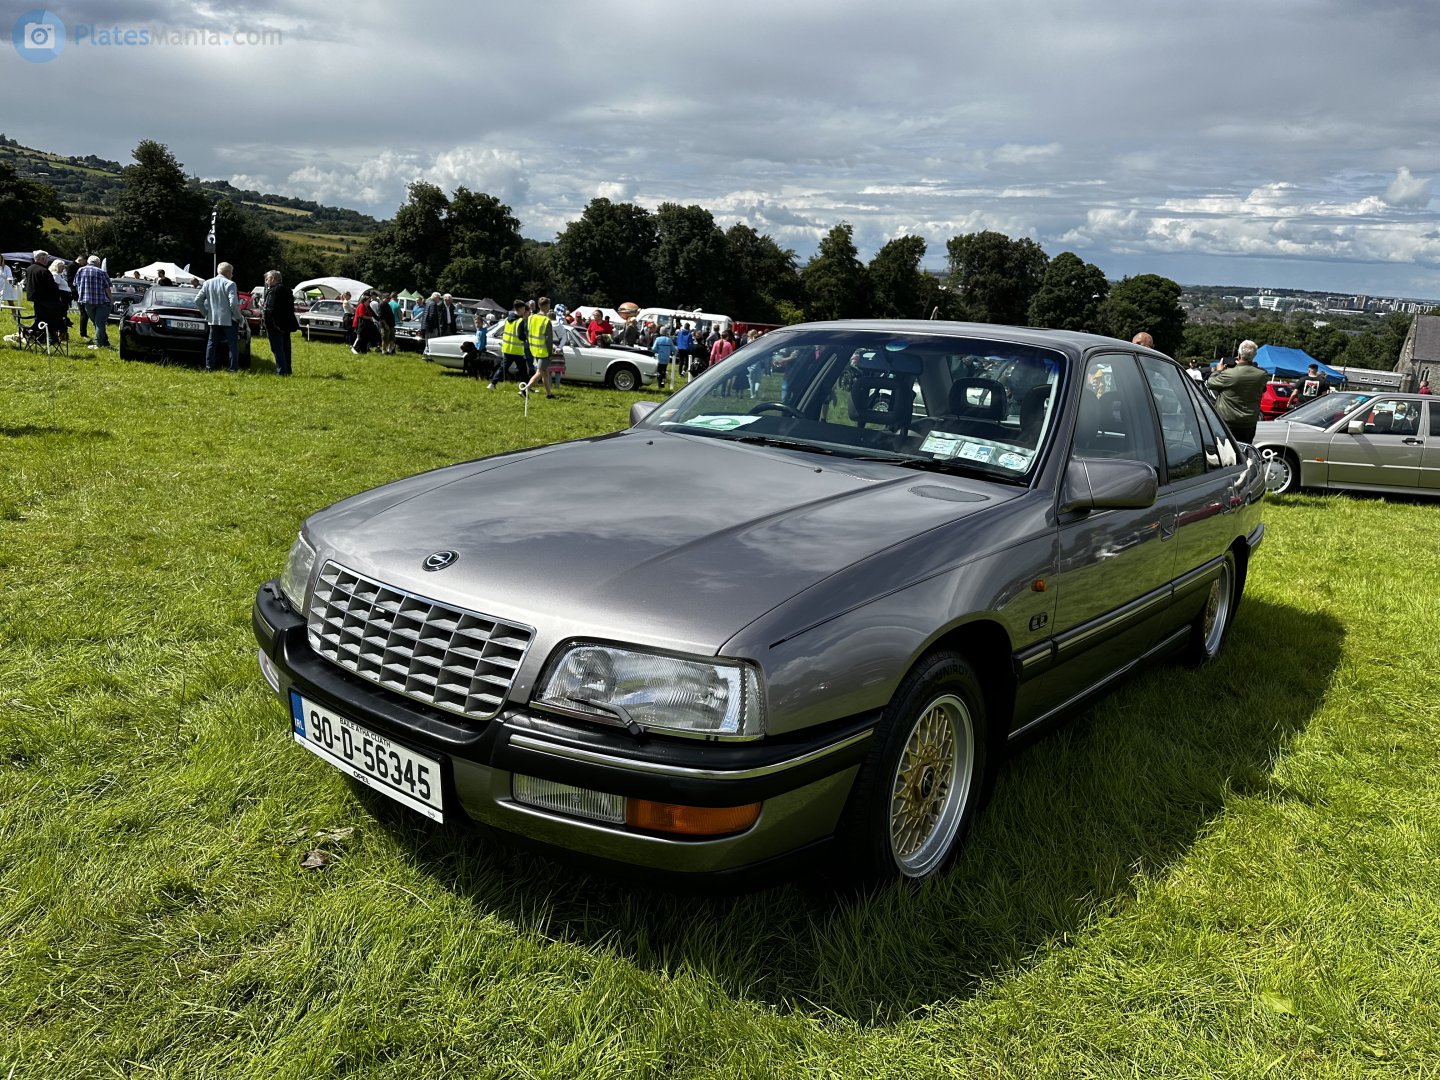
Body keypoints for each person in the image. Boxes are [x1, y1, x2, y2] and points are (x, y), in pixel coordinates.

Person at [1205, 338, 1268, 443]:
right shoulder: (1262, 374)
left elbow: (1210, 383)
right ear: (1254, 356)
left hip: (1228, 421)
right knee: (1244, 450)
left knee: (1225, 452)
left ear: (1239, 354)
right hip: (1249, 422)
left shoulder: (1229, 374)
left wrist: (1218, 371)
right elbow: (1263, 389)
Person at [195, 262, 242, 372]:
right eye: (231, 272)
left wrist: (206, 314)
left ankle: (209, 367)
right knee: (233, 345)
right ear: (227, 272)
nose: (232, 275)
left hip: (213, 319)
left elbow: (197, 301)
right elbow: (234, 304)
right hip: (229, 320)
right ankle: (233, 368)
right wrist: (238, 317)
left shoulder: (207, 283)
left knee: (211, 344)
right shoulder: (230, 284)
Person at [23, 250, 66, 345]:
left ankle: (40, 336)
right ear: (43, 258)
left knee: (40, 318)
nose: (48, 260)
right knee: (48, 319)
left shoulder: (30, 268)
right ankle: (38, 334)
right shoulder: (44, 271)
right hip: (46, 299)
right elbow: (51, 286)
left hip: (35, 297)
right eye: (47, 258)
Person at [261, 269, 298, 375]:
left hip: (275, 325)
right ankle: (287, 370)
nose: (266, 281)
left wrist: (267, 324)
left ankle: (281, 371)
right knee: (286, 349)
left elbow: (269, 309)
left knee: (277, 349)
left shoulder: (273, 291)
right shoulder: (287, 290)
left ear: (272, 279)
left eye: (267, 279)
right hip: (287, 324)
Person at [521, 297, 559, 399]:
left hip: (534, 349)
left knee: (545, 372)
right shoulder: (546, 320)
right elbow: (549, 340)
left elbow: (527, 332)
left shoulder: (531, 318)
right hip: (544, 351)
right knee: (540, 372)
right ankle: (525, 390)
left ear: (538, 305)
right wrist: (550, 353)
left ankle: (549, 394)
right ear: (547, 306)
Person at [73, 254, 112, 349]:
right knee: (99, 323)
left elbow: (76, 284)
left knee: (97, 322)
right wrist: (111, 300)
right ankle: (100, 344)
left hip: (87, 301)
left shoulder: (80, 270)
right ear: (98, 263)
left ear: (88, 262)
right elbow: (107, 288)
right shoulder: (101, 272)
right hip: (101, 301)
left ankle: (104, 342)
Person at [489, 299, 530, 389]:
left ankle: (492, 383)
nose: (525, 310)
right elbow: (520, 336)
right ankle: (526, 387)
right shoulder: (520, 321)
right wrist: (526, 337)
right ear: (520, 309)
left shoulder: (508, 319)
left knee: (503, 367)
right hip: (517, 350)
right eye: (524, 308)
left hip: (507, 348)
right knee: (523, 370)